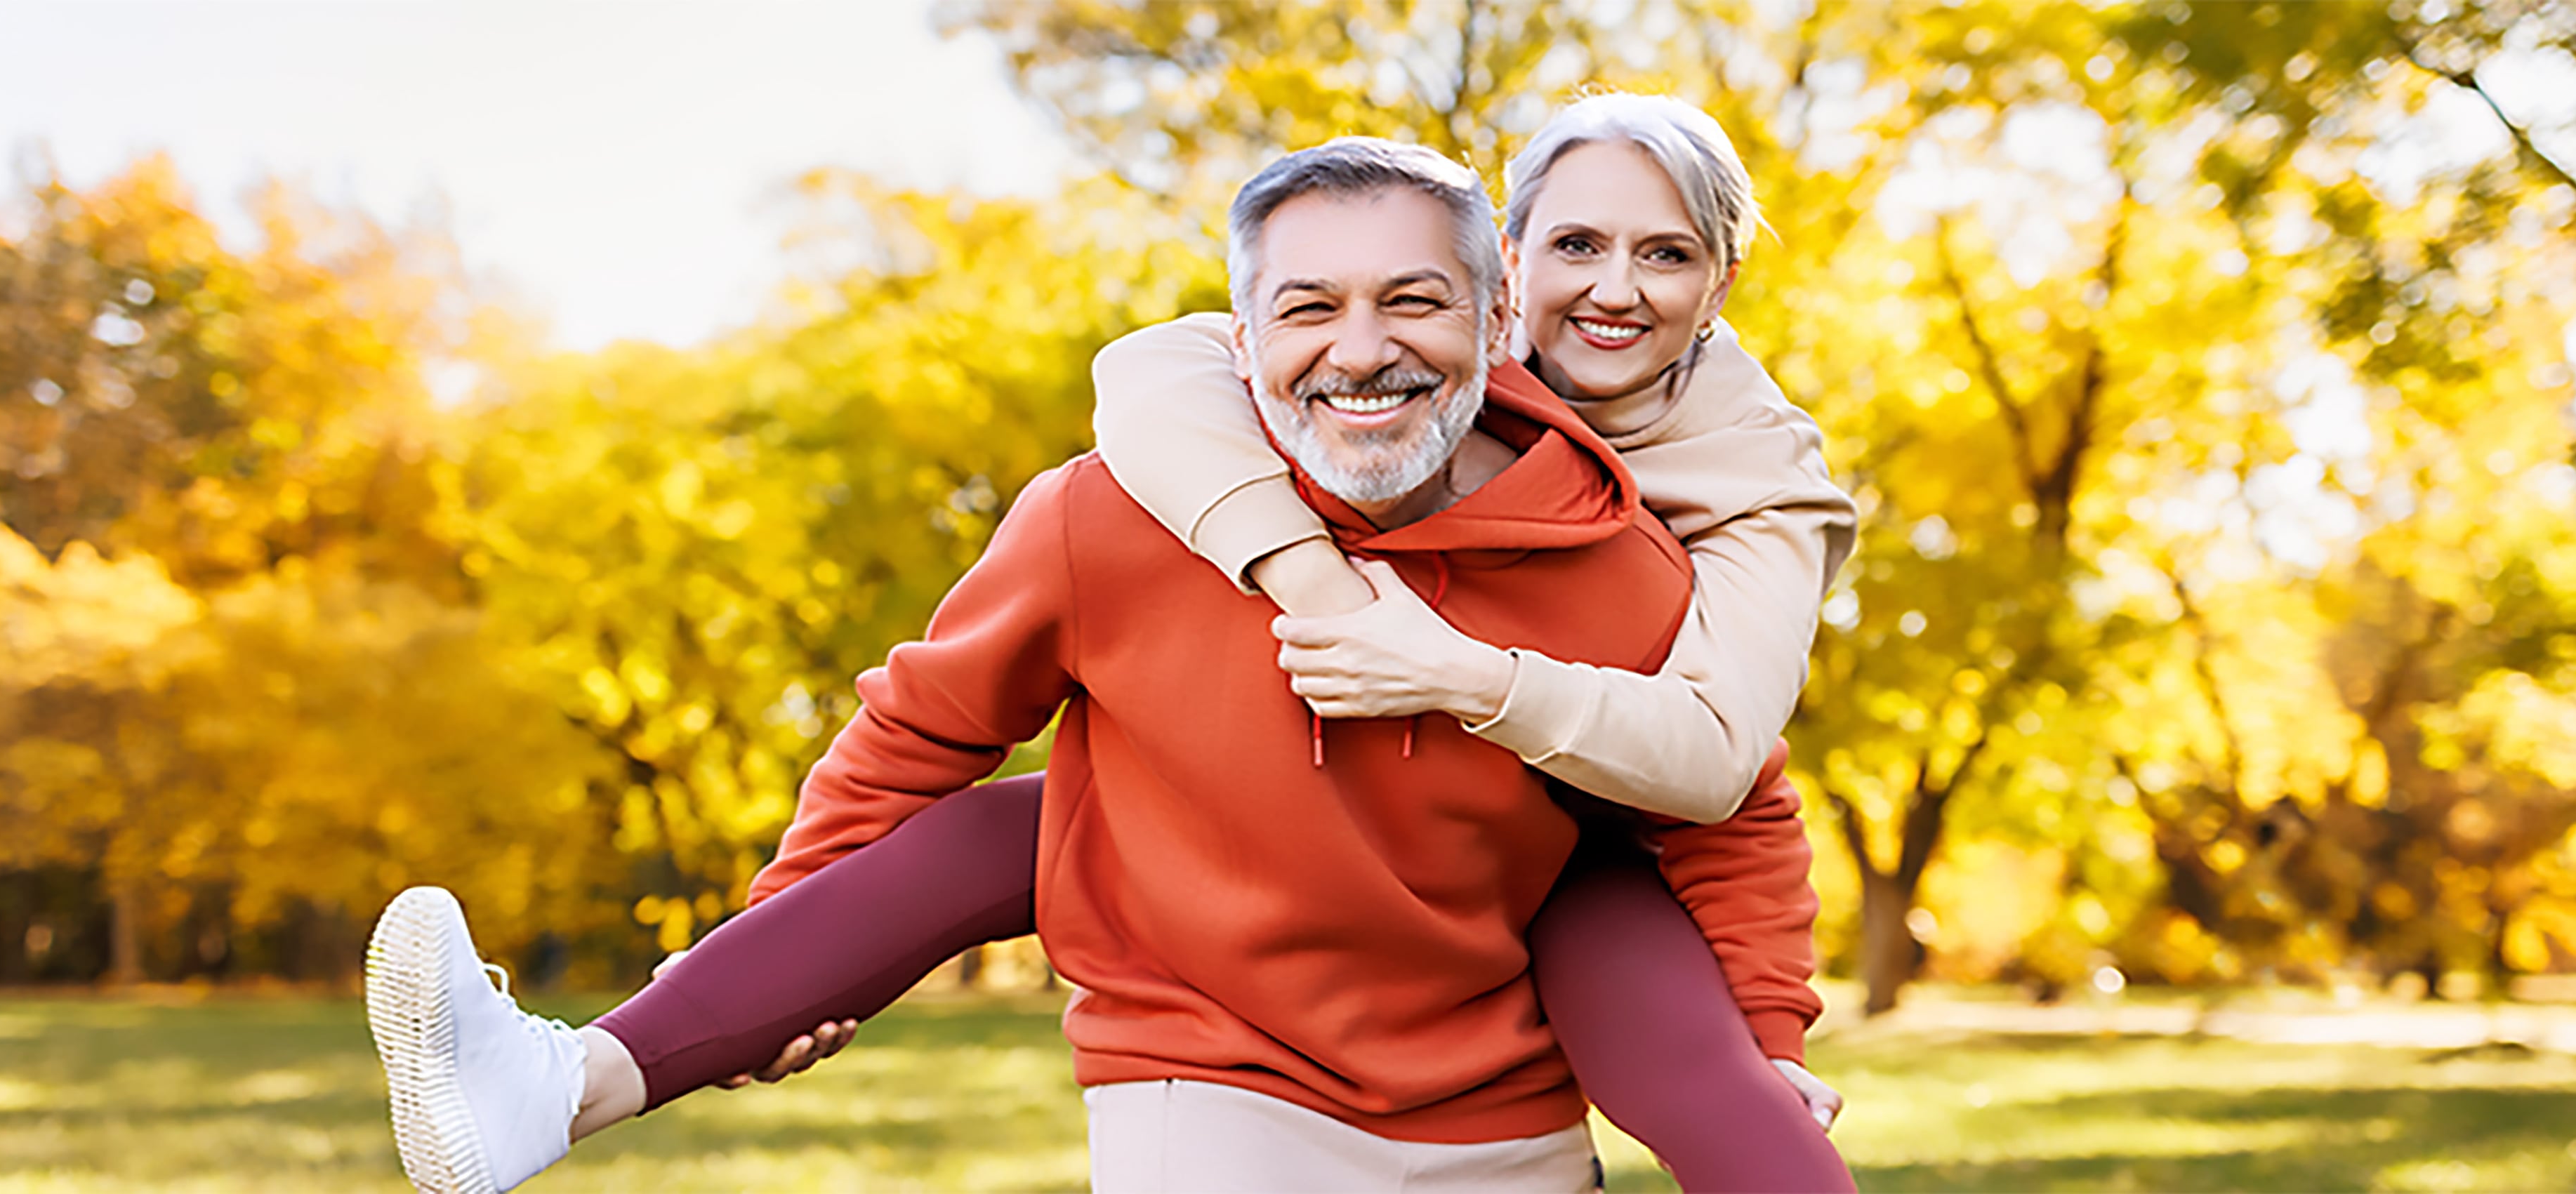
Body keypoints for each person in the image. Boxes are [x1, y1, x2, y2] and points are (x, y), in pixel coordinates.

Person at [371, 108, 1854, 1193]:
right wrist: (780, 954)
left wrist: (1771, 1026)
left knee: (1685, 1014)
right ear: (1522, 274)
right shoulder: (1135, 488)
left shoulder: (1674, 531)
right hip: (1208, 1047)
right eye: (1580, 246)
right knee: (1030, 814)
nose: (1617, 287)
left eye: (1665, 254)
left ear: (1483, 310)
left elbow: (1724, 784)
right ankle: (561, 1081)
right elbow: (931, 714)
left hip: (1510, 973)